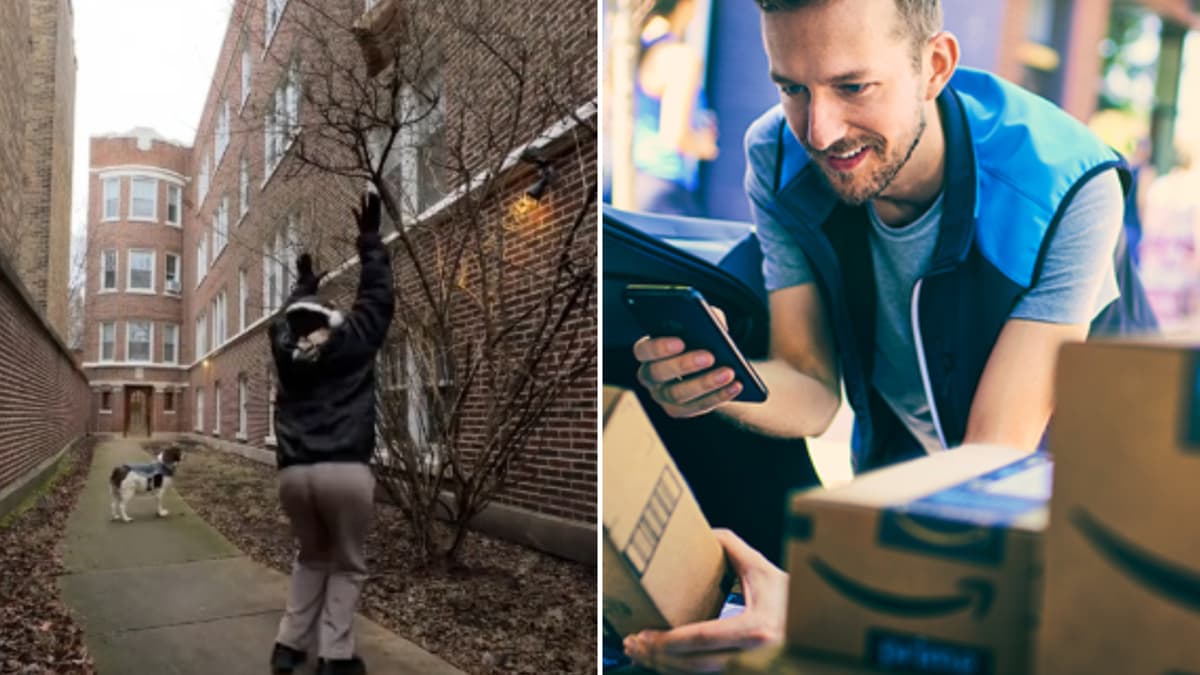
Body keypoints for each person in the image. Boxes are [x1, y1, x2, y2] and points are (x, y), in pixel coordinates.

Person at [627, 0, 1156, 671]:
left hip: (1084, 525)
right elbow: (813, 389)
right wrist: (720, 381)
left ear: (934, 66)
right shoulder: (777, 154)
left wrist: (821, 605)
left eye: (852, 87)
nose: (818, 130)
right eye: (792, 87)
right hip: (911, 489)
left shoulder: (1065, 187)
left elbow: (988, 462)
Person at [268, 190, 394, 675]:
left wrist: (301, 288)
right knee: (346, 563)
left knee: (310, 557)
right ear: (332, 322)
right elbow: (377, 300)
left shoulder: (285, 352)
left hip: (294, 476)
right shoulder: (353, 341)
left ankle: (288, 647)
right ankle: (335, 658)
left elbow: (286, 324)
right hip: (344, 470)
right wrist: (369, 243)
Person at [633, 0, 719, 215]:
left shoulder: (635, 50)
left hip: (634, 183)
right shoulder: (680, 58)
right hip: (664, 187)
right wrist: (705, 145)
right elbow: (675, 134)